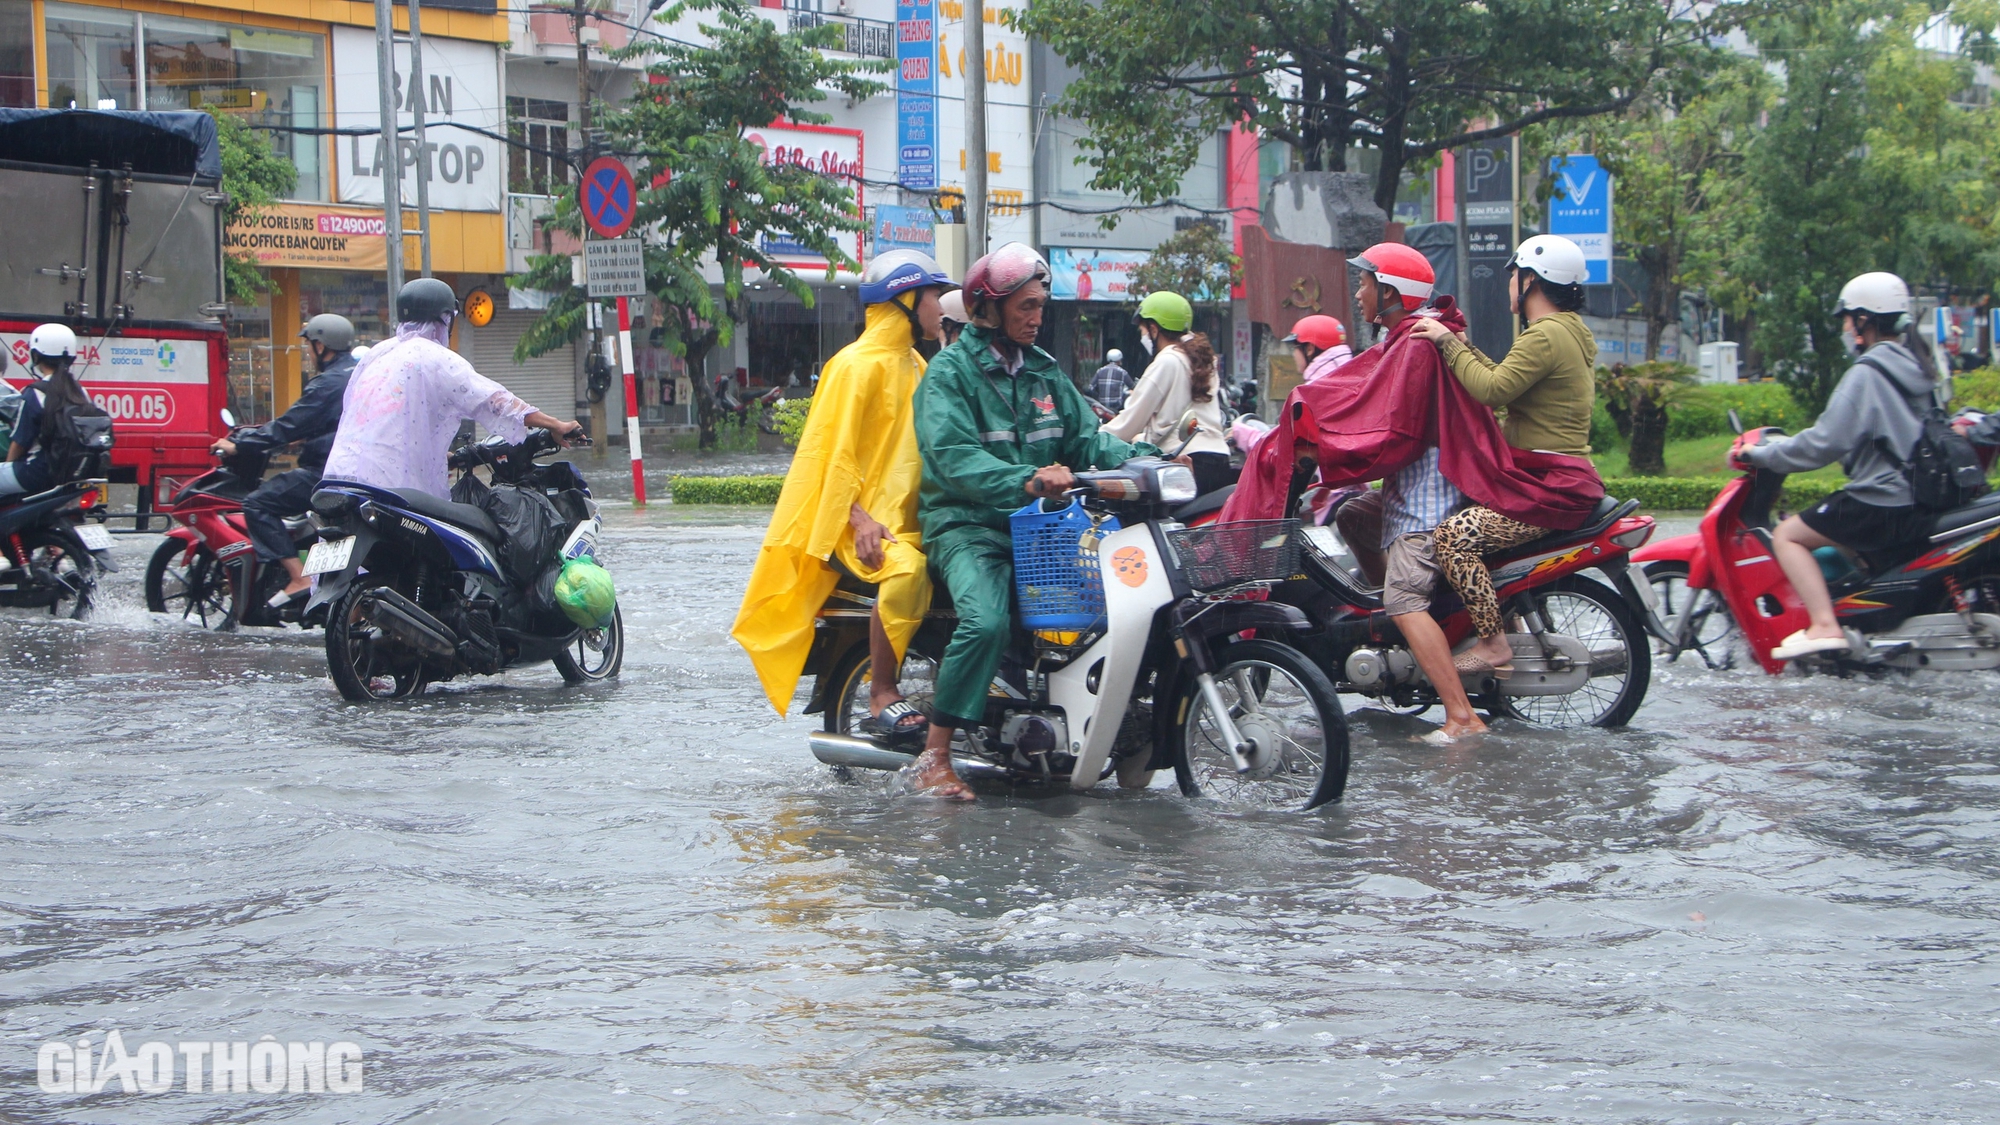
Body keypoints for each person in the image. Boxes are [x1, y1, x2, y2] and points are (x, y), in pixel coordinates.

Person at [910, 243, 1154, 799]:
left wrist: (1149, 456)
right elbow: (951, 457)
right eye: (1024, 307)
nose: (1037, 318)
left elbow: (1086, 439)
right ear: (989, 310)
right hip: (970, 527)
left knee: (1111, 612)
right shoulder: (951, 373)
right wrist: (1027, 478)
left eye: (1041, 305)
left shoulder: (1044, 371)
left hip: (1042, 527)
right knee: (986, 622)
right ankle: (935, 753)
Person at [732, 250, 956, 742]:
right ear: (907, 297)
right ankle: (881, 692)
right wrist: (859, 521)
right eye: (936, 294)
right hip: (860, 529)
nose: (943, 305)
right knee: (909, 573)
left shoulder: (918, 364)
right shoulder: (852, 366)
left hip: (912, 522)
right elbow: (828, 462)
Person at [1408, 234, 1599, 676]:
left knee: (1453, 538)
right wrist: (1454, 339)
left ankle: (1494, 644)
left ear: (1531, 280)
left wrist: (1446, 343)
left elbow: (1491, 390)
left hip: (1550, 486)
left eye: (1514, 275)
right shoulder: (1568, 330)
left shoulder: (1546, 334)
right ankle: (1499, 619)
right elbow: (1499, 374)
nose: (1510, 283)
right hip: (1554, 476)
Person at [1738, 272, 1940, 660]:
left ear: (1864, 320)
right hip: (1918, 498)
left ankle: (1824, 626)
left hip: (1882, 500)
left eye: (1848, 319)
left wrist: (1762, 454)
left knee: (1789, 535)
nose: (1846, 329)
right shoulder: (1921, 367)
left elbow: (1823, 444)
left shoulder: (1867, 373)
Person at [323, 278, 580, 498]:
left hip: (337, 478)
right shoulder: (434, 357)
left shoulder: (377, 352)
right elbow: (495, 402)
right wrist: (556, 425)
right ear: (445, 319)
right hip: (390, 484)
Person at [210, 314, 358, 608]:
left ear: (321, 346)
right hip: (353, 471)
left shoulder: (327, 383)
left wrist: (239, 445)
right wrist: (306, 438)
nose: (307, 353)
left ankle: (298, 575)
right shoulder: (355, 374)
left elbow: (287, 425)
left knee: (257, 503)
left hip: (326, 474)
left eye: (309, 346)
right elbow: (337, 422)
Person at [1101, 291, 1233, 493]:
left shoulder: (1166, 361)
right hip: (1218, 460)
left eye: (1143, 331)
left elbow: (1128, 424)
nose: (1143, 337)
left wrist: (1092, 441)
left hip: (1185, 463)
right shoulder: (1205, 360)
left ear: (1154, 329)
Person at [0, 323, 94, 500]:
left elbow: (20, 442)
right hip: (73, 471)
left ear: (36, 356)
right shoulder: (80, 392)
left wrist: (8, 468)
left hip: (38, 470)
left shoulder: (35, 392)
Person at [1288, 314, 1353, 383]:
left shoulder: (1315, 388)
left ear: (1309, 349)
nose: (1294, 354)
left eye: (1295, 348)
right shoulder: (1355, 376)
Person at [1090, 348, 1132, 412]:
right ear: (1119, 360)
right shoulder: (1122, 372)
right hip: (1117, 408)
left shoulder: (1100, 371)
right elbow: (1132, 386)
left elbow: (1090, 387)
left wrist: (1099, 395)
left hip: (1102, 407)